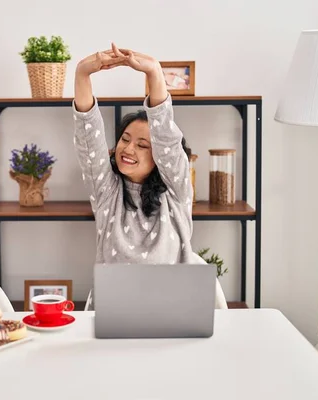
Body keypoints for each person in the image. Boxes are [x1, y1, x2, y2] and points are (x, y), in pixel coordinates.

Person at [72, 44, 227, 309]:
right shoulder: (107, 193)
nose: (129, 149)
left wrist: (155, 73)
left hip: (175, 311)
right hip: (116, 315)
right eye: (125, 139)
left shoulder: (176, 193)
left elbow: (166, 138)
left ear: (160, 160)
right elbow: (89, 138)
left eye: (143, 146)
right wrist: (81, 74)